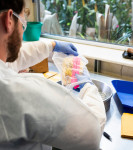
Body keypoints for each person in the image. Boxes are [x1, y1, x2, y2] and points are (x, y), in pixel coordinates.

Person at [0, 0, 106, 150]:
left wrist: (51, 46)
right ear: (9, 20)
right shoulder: (22, 93)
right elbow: (92, 134)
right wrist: (87, 87)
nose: (23, 30)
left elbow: (10, 59)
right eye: (23, 23)